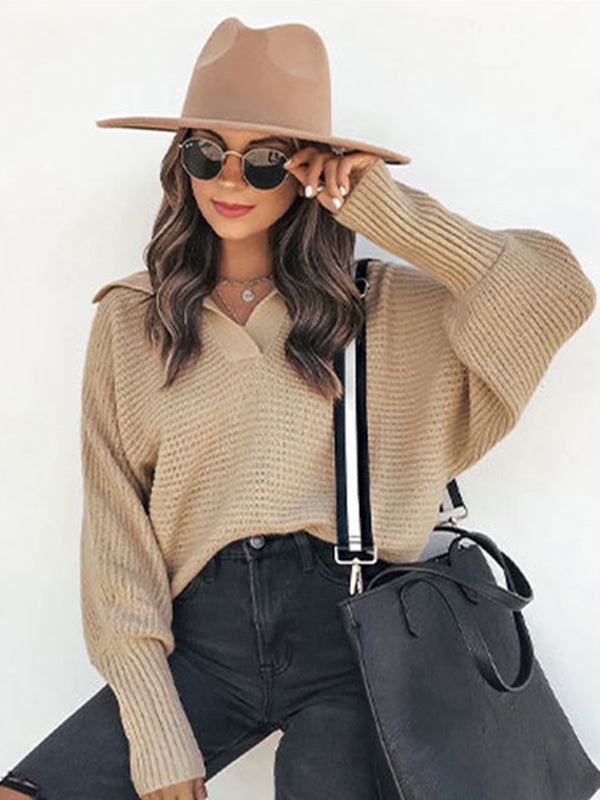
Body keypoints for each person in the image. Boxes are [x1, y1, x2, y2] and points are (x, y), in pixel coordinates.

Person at [0, 17, 596, 800]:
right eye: (206, 152)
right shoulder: (132, 318)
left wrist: (384, 209)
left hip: (354, 643)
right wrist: (155, 730)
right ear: (180, 162)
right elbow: (116, 535)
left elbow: (556, 291)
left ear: (307, 168)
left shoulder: (385, 307)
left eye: (265, 159)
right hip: (201, 645)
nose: (230, 181)